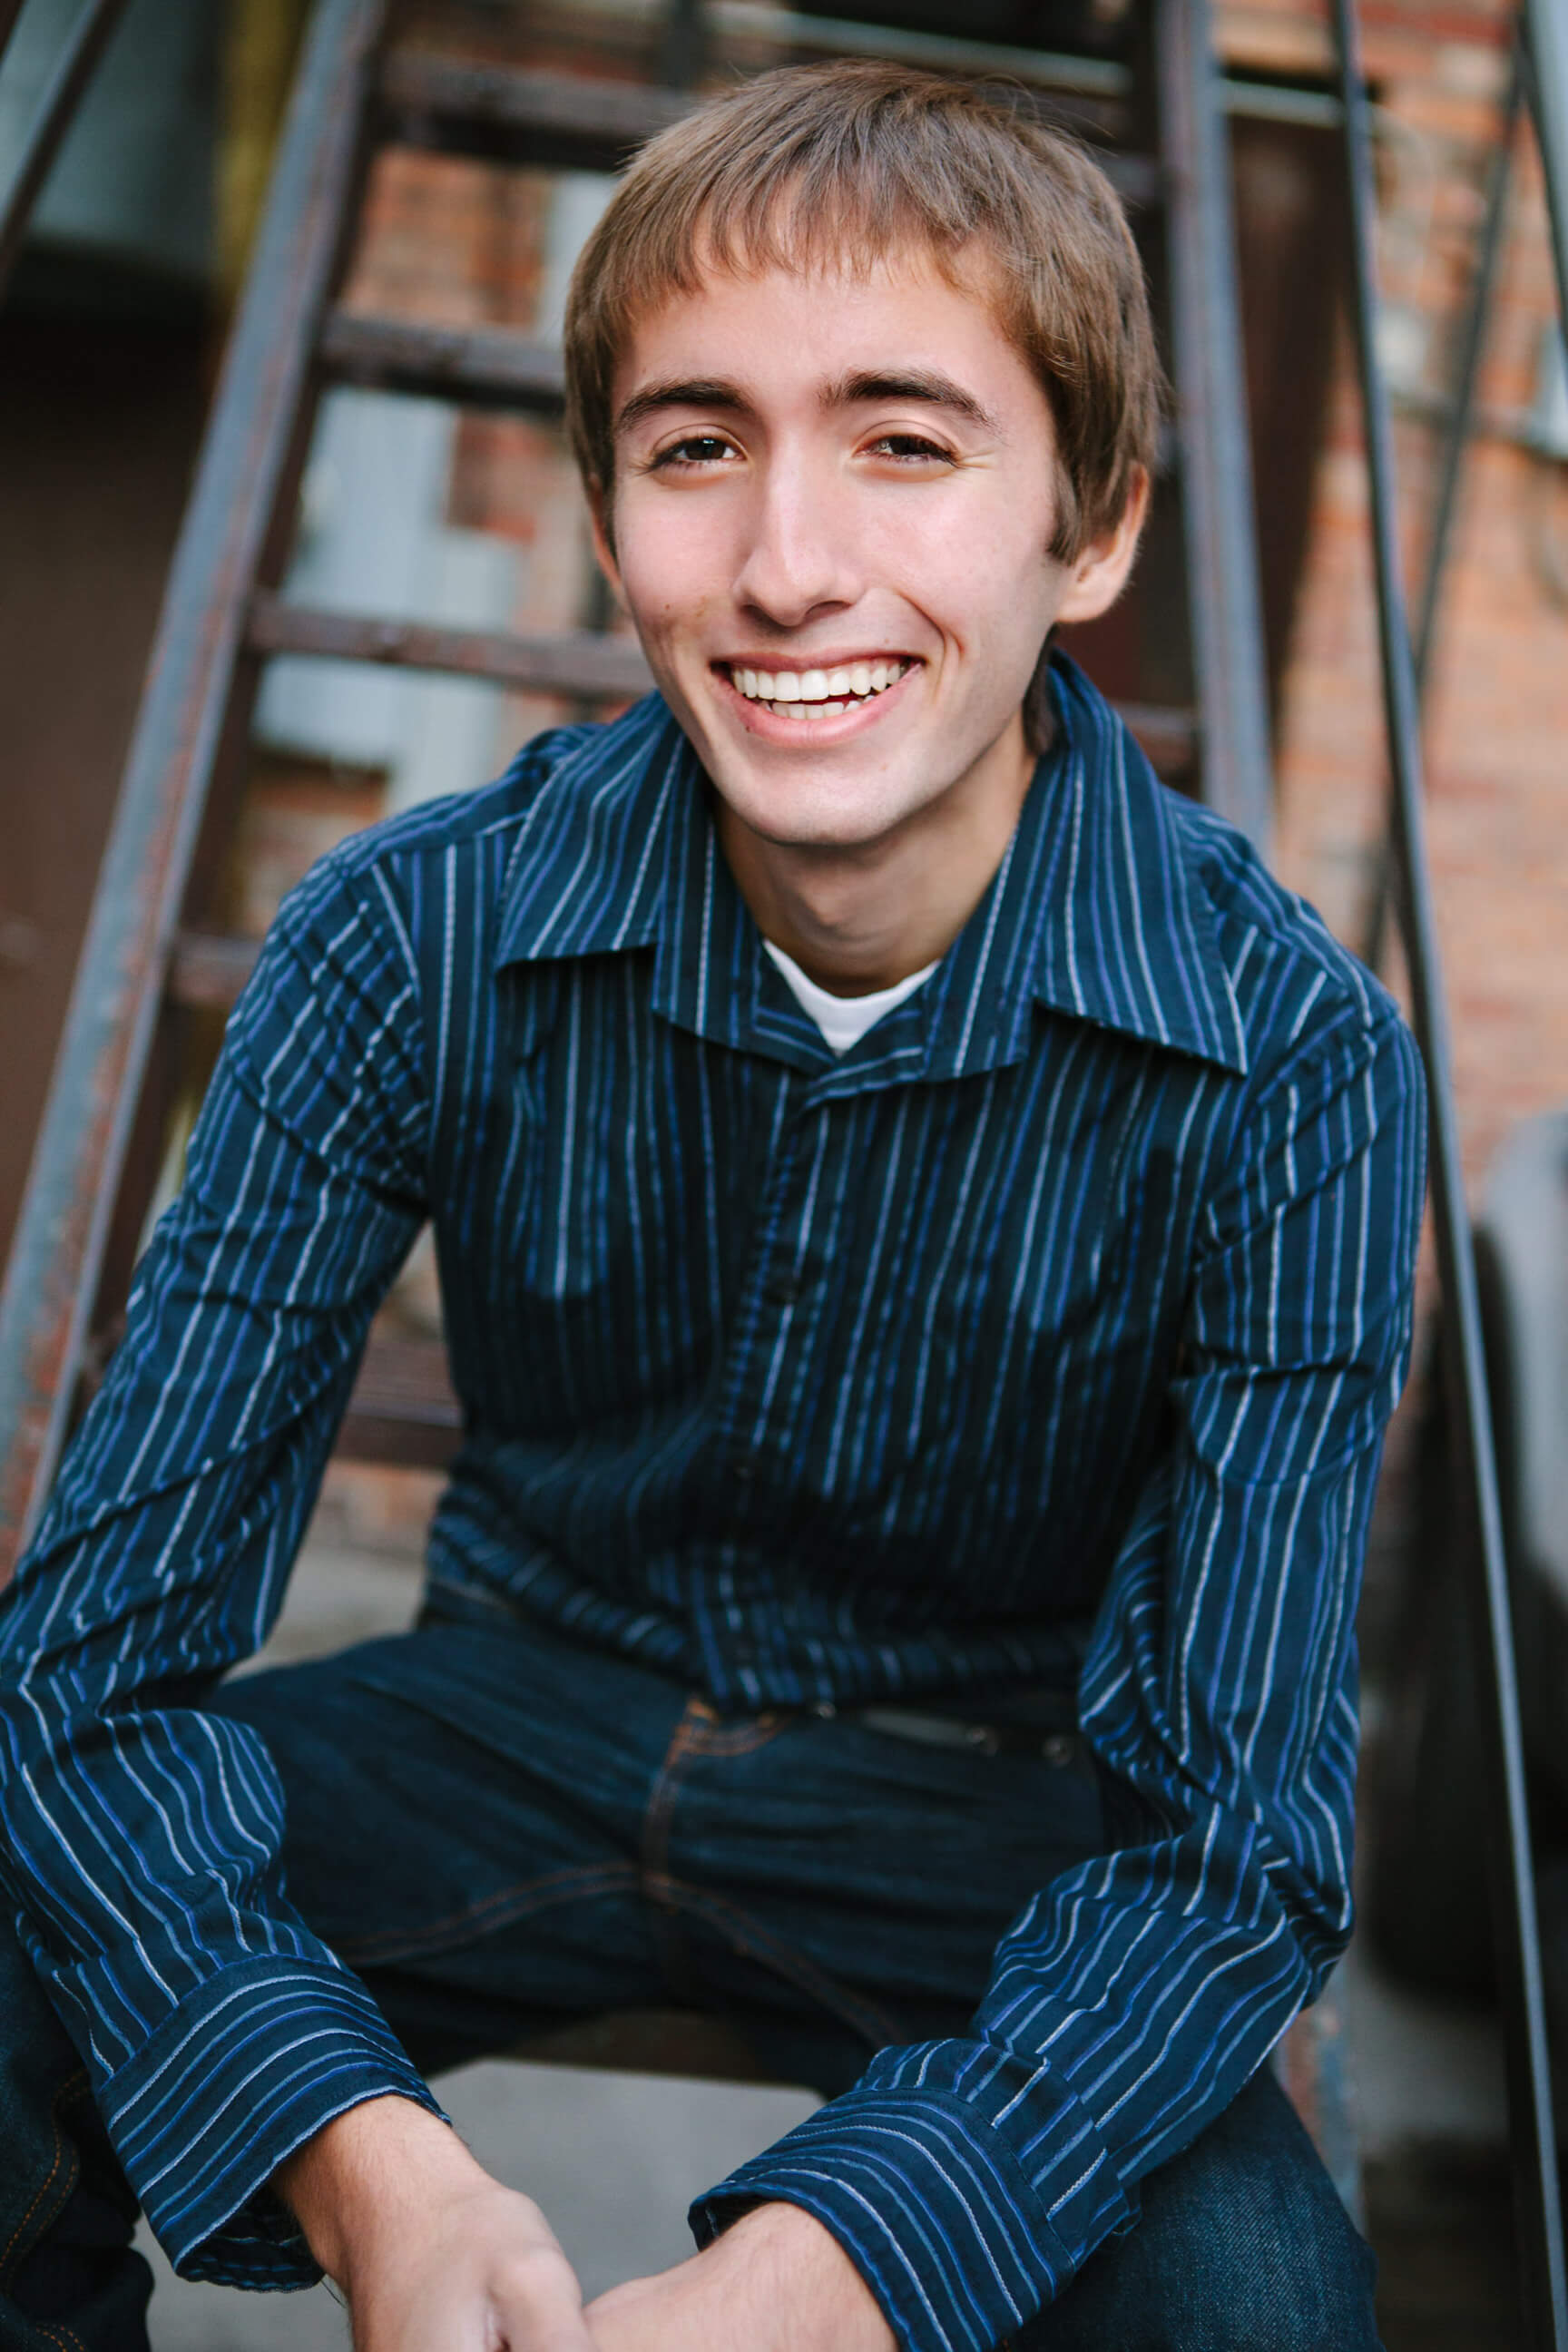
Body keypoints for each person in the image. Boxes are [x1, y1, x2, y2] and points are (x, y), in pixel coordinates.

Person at [0, 59, 1424, 2352]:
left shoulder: (1292, 1063)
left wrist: (844, 2258)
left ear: (1097, 528)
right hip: (508, 1710)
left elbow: (1239, 1855)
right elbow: (82, 1673)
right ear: (606, 512)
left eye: (906, 440)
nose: (784, 564)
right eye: (697, 445)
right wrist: (355, 2155)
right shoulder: (411, 940)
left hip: (973, 1813)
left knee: (1254, 2302)